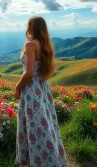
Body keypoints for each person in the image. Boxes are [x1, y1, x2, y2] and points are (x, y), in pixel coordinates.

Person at [14, 16, 69, 167]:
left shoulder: (30, 44)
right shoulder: (45, 45)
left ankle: (39, 161)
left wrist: (18, 85)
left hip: (31, 89)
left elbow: (29, 72)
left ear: (32, 27)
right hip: (43, 87)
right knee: (45, 124)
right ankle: (50, 158)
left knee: (33, 125)